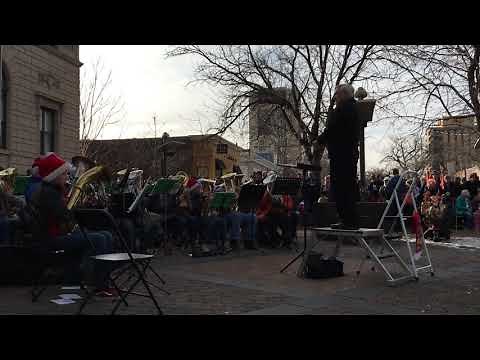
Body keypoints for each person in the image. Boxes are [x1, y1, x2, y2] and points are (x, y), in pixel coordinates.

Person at [30, 153, 116, 297]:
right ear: (54, 176)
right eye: (63, 174)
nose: (66, 177)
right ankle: (100, 284)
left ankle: (95, 281)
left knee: (106, 235)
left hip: (58, 234)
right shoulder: (48, 194)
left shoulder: (53, 191)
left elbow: (65, 215)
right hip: (52, 239)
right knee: (100, 239)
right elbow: (65, 216)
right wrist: (72, 205)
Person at [317, 83, 360, 230]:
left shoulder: (343, 109)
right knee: (347, 187)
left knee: (341, 188)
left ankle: (347, 221)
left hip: (342, 155)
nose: (335, 97)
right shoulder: (353, 108)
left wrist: (319, 140)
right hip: (348, 154)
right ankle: (350, 220)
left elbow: (332, 129)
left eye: (337, 94)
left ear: (344, 95)